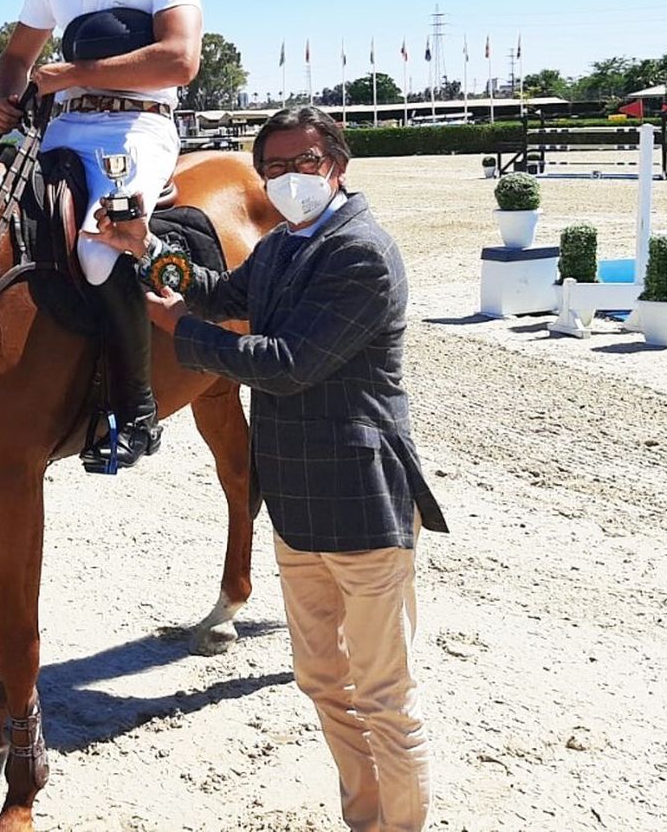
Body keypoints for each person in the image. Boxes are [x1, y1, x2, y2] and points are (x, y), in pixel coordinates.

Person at [85, 105, 448, 831]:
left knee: (383, 696)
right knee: (322, 680)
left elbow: (288, 364)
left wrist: (181, 333)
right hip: (297, 505)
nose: (288, 178)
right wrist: (144, 243)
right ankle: (367, 820)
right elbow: (219, 292)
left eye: (303, 163)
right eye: (273, 167)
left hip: (362, 501)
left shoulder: (361, 252)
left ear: (337, 164)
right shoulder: (284, 244)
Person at [0, 0, 201, 470]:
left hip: (137, 127)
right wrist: (7, 96)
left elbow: (180, 60)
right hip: (63, 125)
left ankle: (137, 410)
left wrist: (74, 72)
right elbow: (19, 52)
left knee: (101, 245)